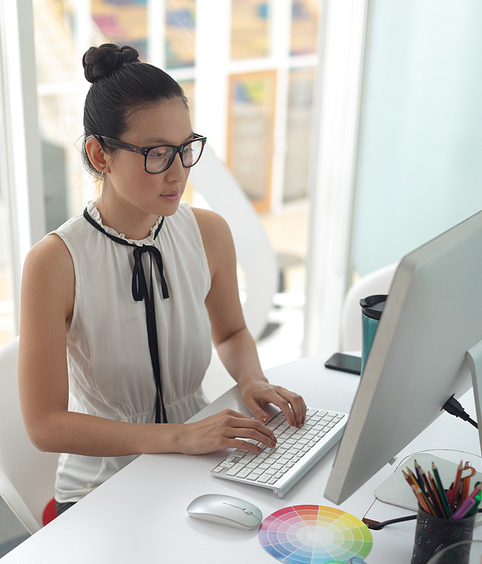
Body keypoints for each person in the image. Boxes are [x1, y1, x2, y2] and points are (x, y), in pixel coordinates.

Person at [18, 43, 306, 515]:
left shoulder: (208, 233)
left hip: (197, 463)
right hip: (101, 489)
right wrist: (181, 435)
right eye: (156, 153)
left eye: (185, 149)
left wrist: (251, 378)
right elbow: (45, 425)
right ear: (100, 154)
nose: (177, 173)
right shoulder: (55, 262)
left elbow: (231, 333)